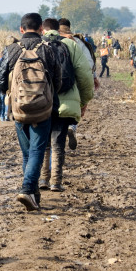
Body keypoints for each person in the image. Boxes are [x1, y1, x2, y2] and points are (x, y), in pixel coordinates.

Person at [0, 12, 61, 211]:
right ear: (41, 29)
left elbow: (0, 78)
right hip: (43, 109)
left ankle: (33, 194)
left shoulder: (11, 49)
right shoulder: (48, 50)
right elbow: (58, 79)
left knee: (27, 154)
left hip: (19, 110)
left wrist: (10, 94)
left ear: (21, 29)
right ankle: (27, 190)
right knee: (36, 152)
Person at [39, 18, 94, 192]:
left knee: (44, 142)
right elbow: (85, 75)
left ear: (43, 30)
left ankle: (43, 180)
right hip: (65, 101)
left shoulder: (37, 45)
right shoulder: (71, 46)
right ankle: (56, 182)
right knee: (58, 143)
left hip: (42, 101)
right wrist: (83, 101)